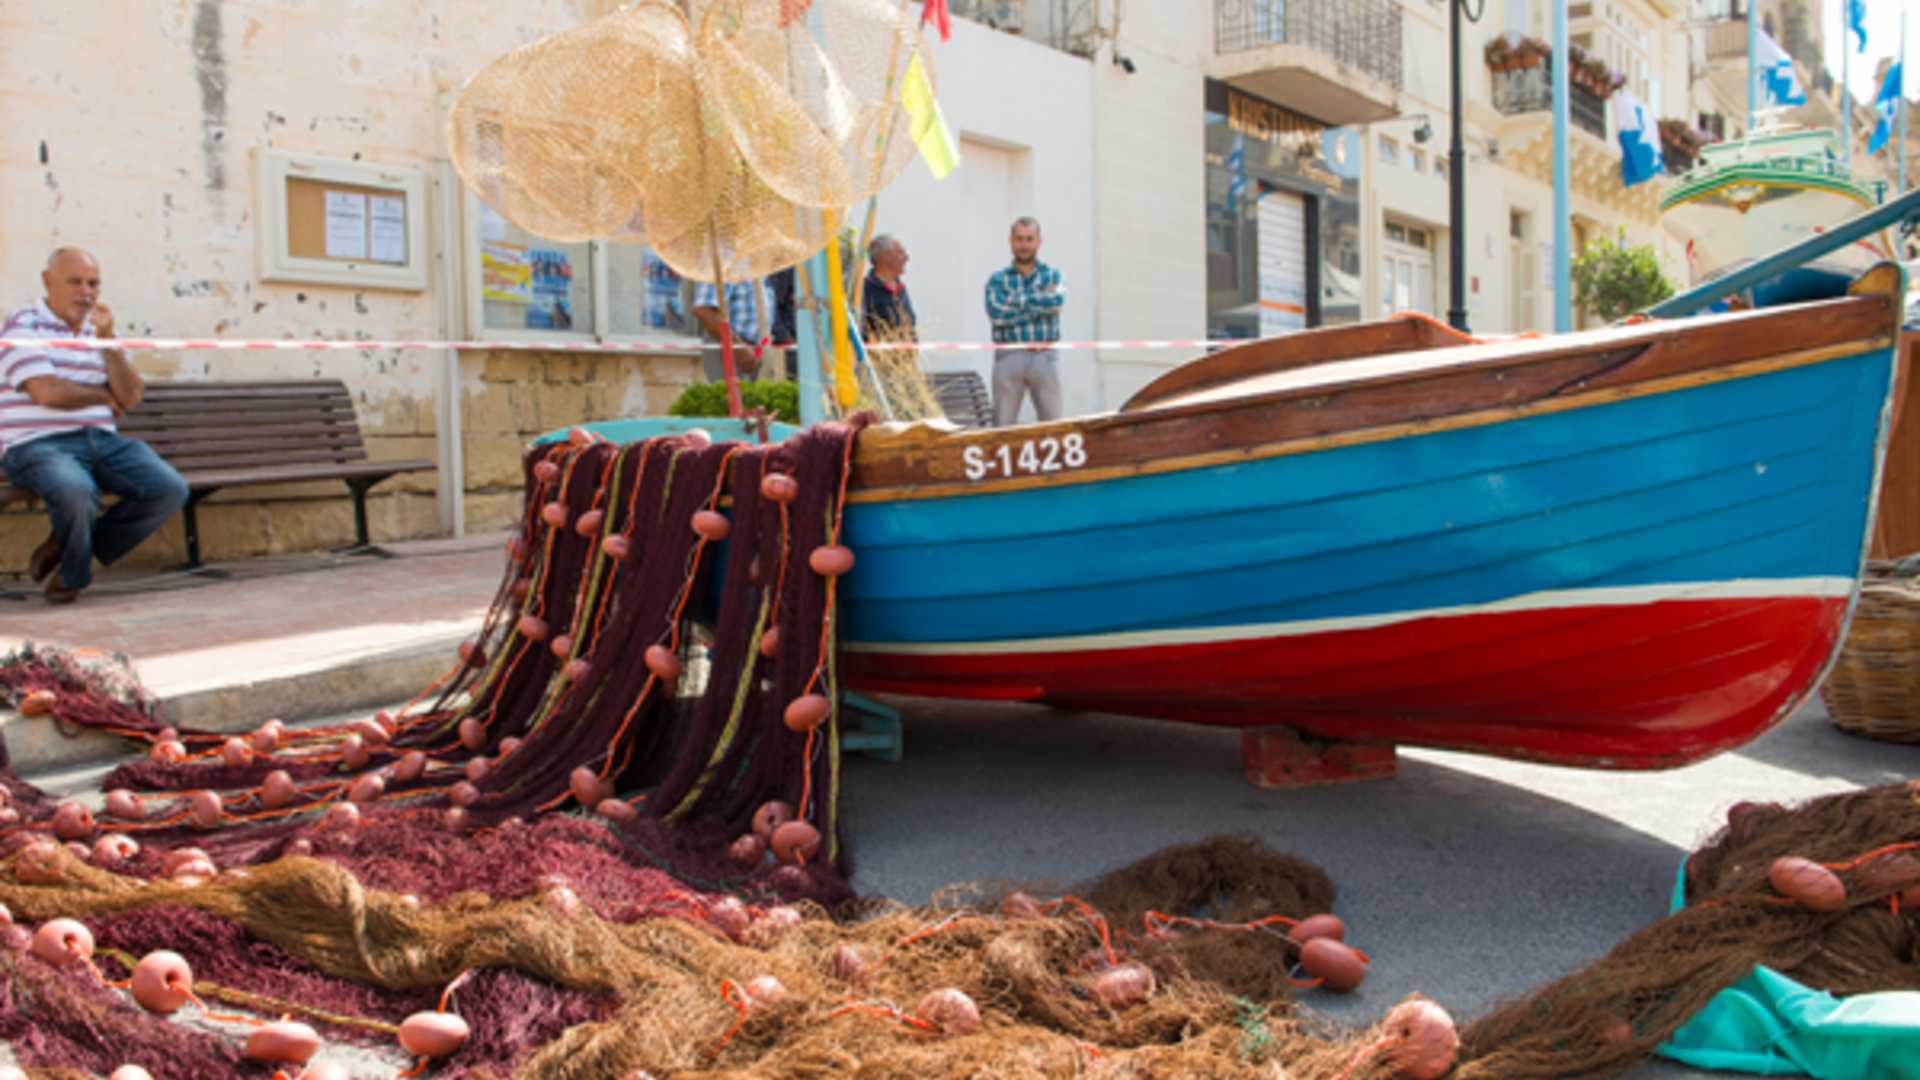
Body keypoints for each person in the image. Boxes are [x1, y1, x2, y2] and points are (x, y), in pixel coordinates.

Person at [1, 248, 188, 603]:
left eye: (93, 284)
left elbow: (131, 395)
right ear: (47, 281)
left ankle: (70, 546)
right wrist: (103, 396)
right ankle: (73, 576)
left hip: (101, 441)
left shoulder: (98, 330)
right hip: (36, 443)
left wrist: (109, 343)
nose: (86, 292)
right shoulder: (22, 326)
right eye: (75, 282)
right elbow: (46, 392)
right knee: (76, 490)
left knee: (168, 488)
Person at [984, 216, 1066, 425]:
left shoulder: (1053, 276)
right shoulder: (997, 280)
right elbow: (998, 315)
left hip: (1044, 356)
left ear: (1039, 241)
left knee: (1053, 426)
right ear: (1011, 241)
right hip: (1009, 355)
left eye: (1029, 239)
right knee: (1002, 426)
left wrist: (1015, 302)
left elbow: (1057, 301)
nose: (1024, 245)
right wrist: (1039, 304)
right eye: (1019, 239)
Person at [691, 277, 776, 382]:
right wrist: (738, 348)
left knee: (751, 397)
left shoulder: (760, 271)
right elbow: (703, 310)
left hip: (755, 348)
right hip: (728, 345)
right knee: (729, 396)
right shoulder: (726, 265)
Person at [861, 234, 918, 342]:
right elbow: (862, 330)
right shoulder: (866, 289)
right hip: (878, 357)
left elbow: (911, 324)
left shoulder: (901, 288)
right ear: (885, 256)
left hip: (905, 357)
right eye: (900, 252)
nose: (906, 258)